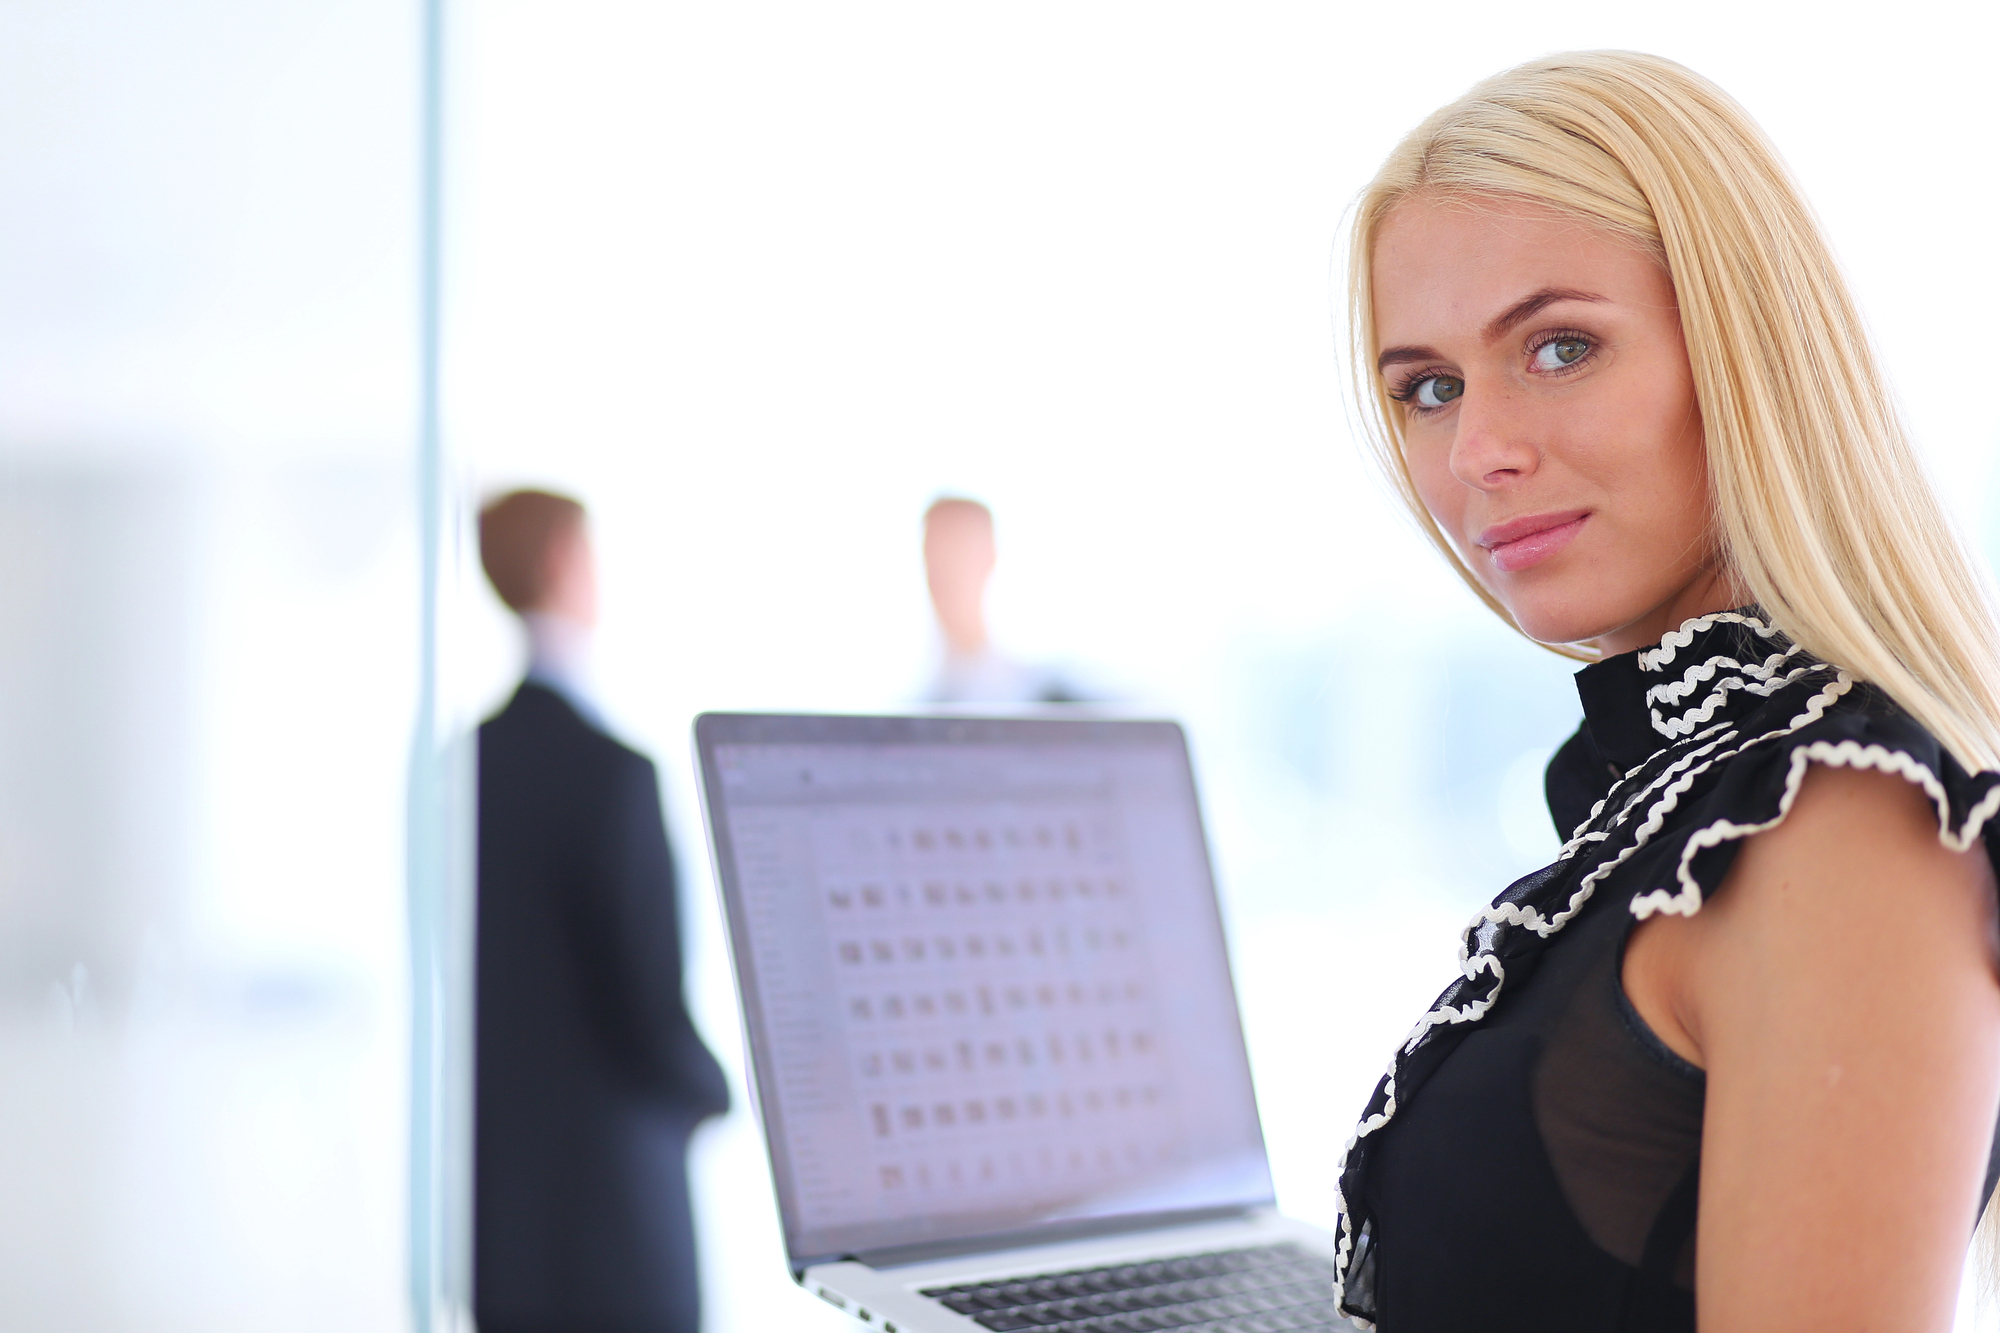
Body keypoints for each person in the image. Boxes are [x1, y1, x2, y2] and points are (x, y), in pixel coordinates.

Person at [1331, 53, 2000, 1332]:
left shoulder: (1840, 820)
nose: (1477, 451)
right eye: (1428, 386)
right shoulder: (1690, 787)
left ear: (1744, 350)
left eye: (1559, 346)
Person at [473, 489, 729, 1333]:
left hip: (500, 1208)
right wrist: (717, 1090)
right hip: (615, 1211)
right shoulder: (613, 773)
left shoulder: (460, 768)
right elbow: (646, 1003)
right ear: (560, 563)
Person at [922, 495, 1080, 704]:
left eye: (962, 548)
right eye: (936, 551)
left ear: (990, 556)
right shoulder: (907, 706)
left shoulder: (1055, 698)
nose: (947, 570)